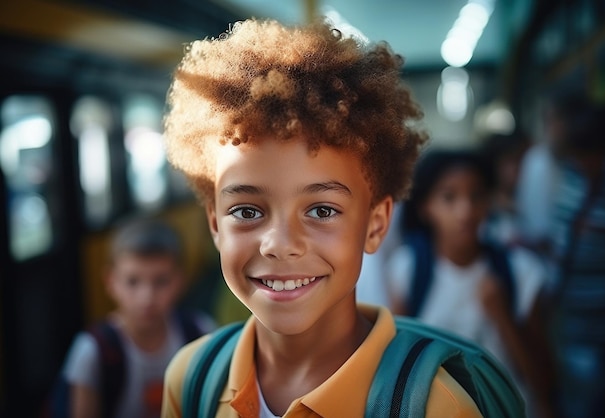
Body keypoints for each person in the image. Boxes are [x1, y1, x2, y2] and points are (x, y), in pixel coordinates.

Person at [159, 18, 519, 418]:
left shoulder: (438, 406)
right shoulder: (191, 380)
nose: (280, 243)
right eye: (246, 211)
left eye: (322, 210)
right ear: (214, 224)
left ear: (375, 224)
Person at [388, 149, 556, 418]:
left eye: (476, 196)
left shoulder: (521, 272)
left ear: (489, 201)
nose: (465, 211)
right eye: (449, 197)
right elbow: (395, 364)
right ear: (425, 207)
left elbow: (543, 381)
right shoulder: (407, 269)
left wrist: (502, 316)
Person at [60, 217, 216, 418]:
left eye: (161, 281)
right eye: (133, 282)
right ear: (111, 281)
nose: (147, 298)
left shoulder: (201, 333)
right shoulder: (93, 351)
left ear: (180, 280)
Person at [543, 96, 605, 418]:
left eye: (588, 156)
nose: (582, 163)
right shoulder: (574, 173)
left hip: (601, 322)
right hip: (566, 313)